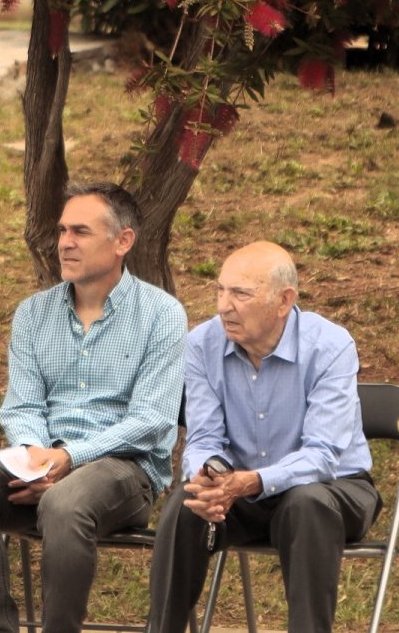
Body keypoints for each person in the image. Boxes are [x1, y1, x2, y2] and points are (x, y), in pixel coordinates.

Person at [0, 182, 187, 633]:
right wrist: (40, 460)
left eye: (80, 231)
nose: (65, 243)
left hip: (124, 472)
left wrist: (69, 461)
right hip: (42, 465)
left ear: (123, 242)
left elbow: (152, 421)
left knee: (66, 501)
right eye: (62, 231)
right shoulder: (34, 314)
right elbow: (22, 405)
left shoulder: (161, 314)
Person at [146, 241, 380, 633]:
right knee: (186, 504)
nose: (223, 305)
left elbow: (323, 455)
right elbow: (204, 436)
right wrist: (206, 475)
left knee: (305, 504)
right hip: (240, 492)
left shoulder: (330, 346)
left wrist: (251, 481)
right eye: (220, 290)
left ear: (283, 300)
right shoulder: (201, 344)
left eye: (240, 293)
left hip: (333, 490)